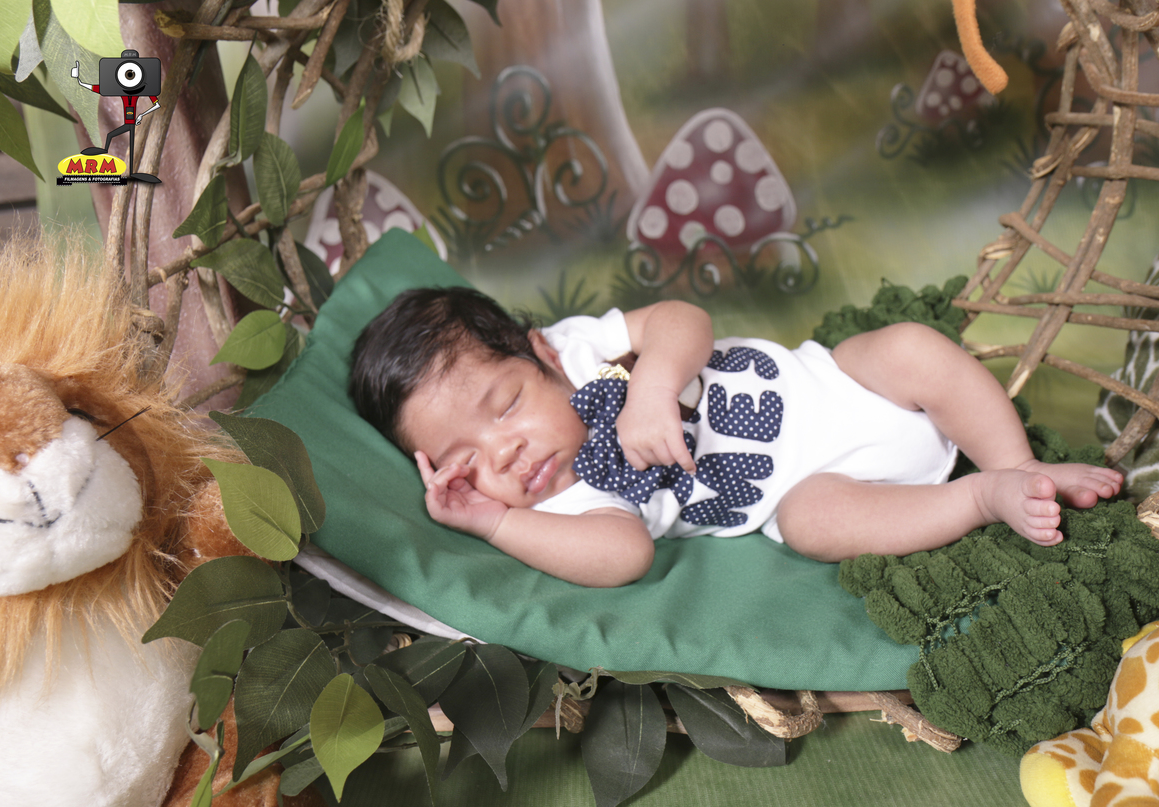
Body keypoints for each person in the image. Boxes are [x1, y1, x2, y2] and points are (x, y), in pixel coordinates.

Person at [349, 287, 1122, 587]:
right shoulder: (559, 503)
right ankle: (983, 495)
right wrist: (494, 520)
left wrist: (654, 384)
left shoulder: (581, 348)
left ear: (540, 353)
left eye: (508, 405)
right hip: (818, 489)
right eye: (467, 463)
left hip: (842, 382)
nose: (505, 454)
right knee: (812, 524)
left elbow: (682, 317)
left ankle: (1019, 463)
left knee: (910, 347)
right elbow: (624, 554)